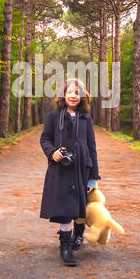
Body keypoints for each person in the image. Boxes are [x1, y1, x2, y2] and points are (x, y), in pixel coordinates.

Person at [40, 78, 101, 266]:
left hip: (82, 168)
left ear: (82, 97)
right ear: (63, 95)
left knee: (81, 205)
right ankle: (65, 247)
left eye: (77, 93)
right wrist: (52, 152)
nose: (73, 96)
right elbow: (45, 139)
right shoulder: (53, 116)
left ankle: (78, 234)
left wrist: (94, 176)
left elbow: (92, 147)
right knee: (65, 206)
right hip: (61, 169)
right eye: (70, 92)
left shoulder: (86, 119)